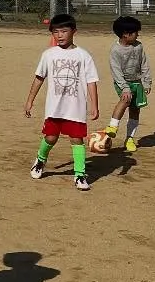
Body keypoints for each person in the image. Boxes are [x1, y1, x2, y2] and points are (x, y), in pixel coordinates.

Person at [24, 13, 100, 192]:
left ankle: (79, 174)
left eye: (64, 31)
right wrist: (29, 101)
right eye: (55, 32)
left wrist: (94, 105)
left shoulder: (83, 56)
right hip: (54, 107)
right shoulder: (48, 55)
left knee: (77, 139)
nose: (59, 35)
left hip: (75, 108)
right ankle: (40, 160)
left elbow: (91, 81)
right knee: (51, 138)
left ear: (74, 31)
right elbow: (39, 78)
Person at [101, 15, 151, 152]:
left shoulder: (138, 46)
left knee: (135, 110)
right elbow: (116, 71)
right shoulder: (115, 50)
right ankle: (113, 126)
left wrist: (147, 82)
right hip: (123, 82)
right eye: (135, 32)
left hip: (137, 82)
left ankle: (129, 139)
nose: (137, 35)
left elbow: (144, 64)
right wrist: (125, 88)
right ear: (125, 34)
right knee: (125, 100)